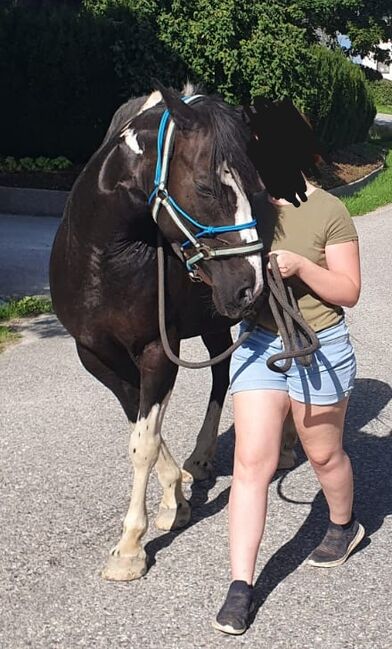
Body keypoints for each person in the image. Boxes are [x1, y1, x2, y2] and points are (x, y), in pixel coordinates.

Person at [212, 181, 365, 635]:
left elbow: (349, 290)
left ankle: (343, 525)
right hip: (260, 345)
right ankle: (241, 585)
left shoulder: (329, 210)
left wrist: (299, 266)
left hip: (320, 345)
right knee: (250, 462)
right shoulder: (245, 209)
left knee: (323, 455)